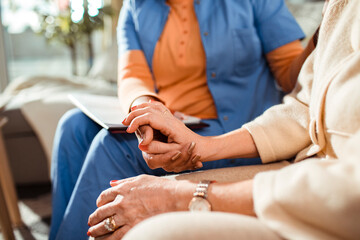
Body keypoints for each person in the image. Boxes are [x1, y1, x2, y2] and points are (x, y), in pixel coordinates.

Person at [87, 0, 360, 239]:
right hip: (188, 122)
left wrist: (318, 38)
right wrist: (150, 110)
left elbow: (293, 81)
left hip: (233, 120)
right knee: (77, 128)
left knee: (110, 145)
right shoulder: (137, 7)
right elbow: (305, 105)